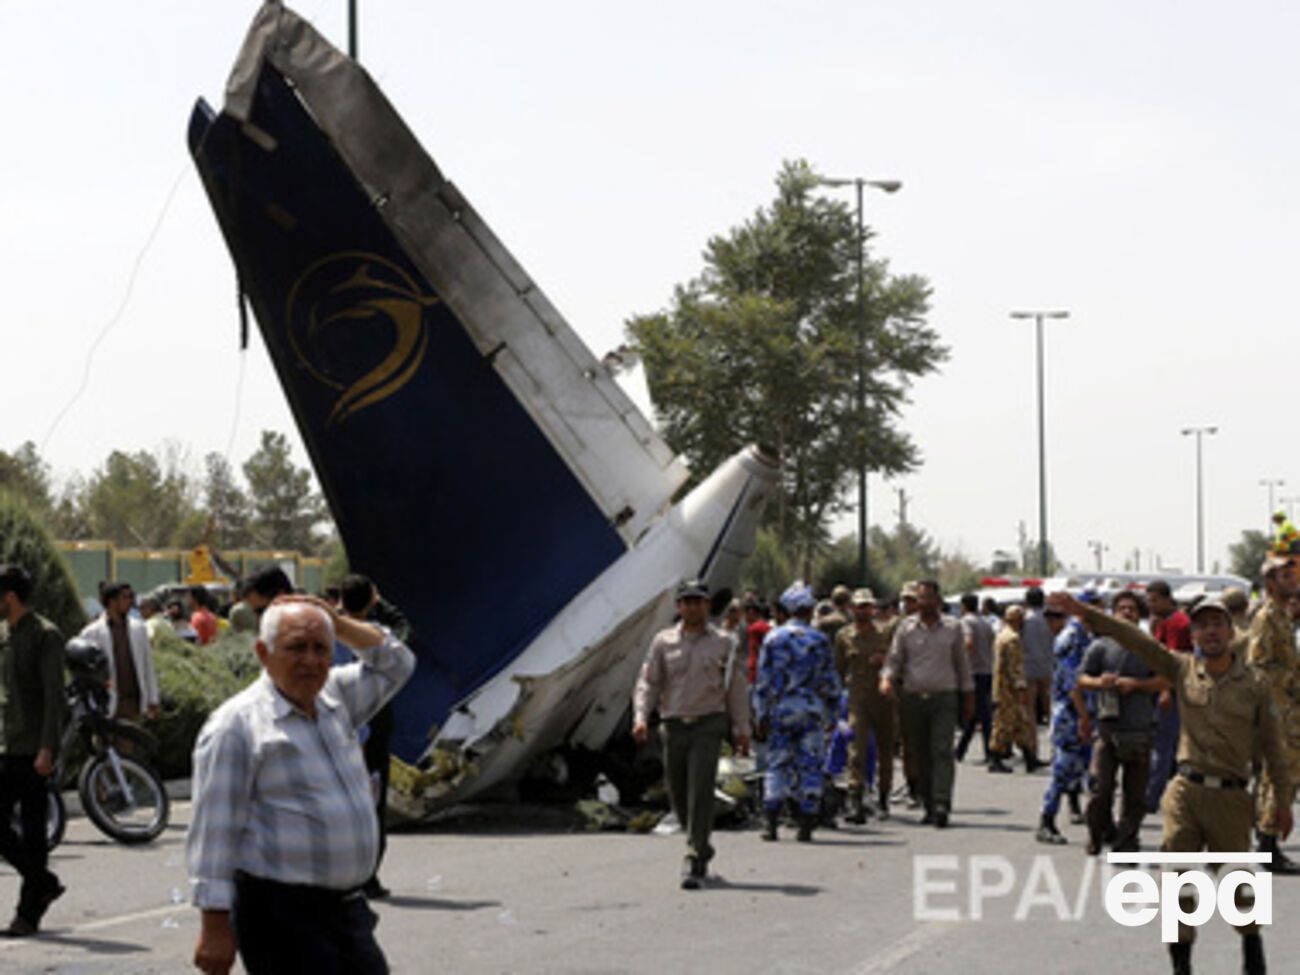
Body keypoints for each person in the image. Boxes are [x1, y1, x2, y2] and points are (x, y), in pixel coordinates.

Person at [1049, 590, 1291, 975]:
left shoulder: (1255, 685)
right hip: (1185, 793)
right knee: (1178, 882)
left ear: (1231, 633)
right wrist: (1086, 613)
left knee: (1238, 887)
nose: (1210, 632)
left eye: (1217, 624)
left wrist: (1282, 801)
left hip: (1231, 798)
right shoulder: (1179, 668)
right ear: (1192, 635)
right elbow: (1134, 638)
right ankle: (1181, 966)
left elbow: (1274, 748)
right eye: (1202, 626)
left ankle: (1252, 947)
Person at [188, 595, 416, 974]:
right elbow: (214, 834)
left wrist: (337, 623)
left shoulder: (335, 699)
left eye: (320, 648)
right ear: (264, 652)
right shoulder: (237, 726)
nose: (310, 660)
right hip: (282, 916)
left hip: (347, 911)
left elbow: (398, 663)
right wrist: (214, 928)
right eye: (296, 647)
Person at [633, 579, 749, 887]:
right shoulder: (663, 642)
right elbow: (649, 683)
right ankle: (702, 844)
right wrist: (641, 717)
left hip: (709, 724)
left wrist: (742, 729)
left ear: (708, 605)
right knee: (679, 794)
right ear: (678, 606)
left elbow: (736, 689)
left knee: (700, 788)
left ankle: (694, 856)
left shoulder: (724, 642)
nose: (693, 606)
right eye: (687, 601)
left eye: (699, 601)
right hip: (673, 725)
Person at [0, 566, 66, 937]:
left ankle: (28, 914)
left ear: (9, 596)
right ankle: (42, 881)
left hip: (33, 748)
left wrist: (47, 748)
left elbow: (54, 697)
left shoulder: (45, 635)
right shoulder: (5, 634)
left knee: (34, 830)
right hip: (8, 744)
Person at [880, 580, 974, 828]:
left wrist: (968, 696)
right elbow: (894, 659)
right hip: (913, 698)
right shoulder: (905, 628)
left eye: (928, 598)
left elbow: (962, 665)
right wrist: (886, 679)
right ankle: (929, 804)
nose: (923, 603)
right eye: (920, 598)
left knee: (942, 751)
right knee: (919, 754)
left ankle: (942, 803)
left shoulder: (953, 628)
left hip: (944, 697)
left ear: (938, 600)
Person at [339, 574, 410, 900]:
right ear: (371, 600)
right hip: (373, 731)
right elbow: (403, 629)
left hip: (338, 732)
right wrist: (378, 603)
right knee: (371, 804)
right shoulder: (376, 638)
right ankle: (367, 877)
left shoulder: (330, 631)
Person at [1076, 590, 1163, 855]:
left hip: (1140, 731)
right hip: (1108, 731)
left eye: (1132, 609)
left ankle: (1126, 842)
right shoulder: (1100, 646)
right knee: (1100, 790)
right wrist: (1099, 682)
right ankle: (1096, 834)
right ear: (1112, 614)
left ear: (1140, 615)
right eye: (1121, 608)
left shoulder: (1149, 646)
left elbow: (1165, 680)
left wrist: (1135, 685)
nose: (1127, 613)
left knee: (1135, 796)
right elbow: (1080, 680)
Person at [753, 582, 839, 842]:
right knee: (810, 763)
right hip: (811, 710)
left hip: (781, 709)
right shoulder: (820, 640)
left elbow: (763, 681)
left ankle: (770, 821)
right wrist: (833, 715)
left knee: (777, 763)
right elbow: (830, 682)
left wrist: (760, 714)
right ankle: (806, 823)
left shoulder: (773, 638)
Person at [1248, 553, 1300, 873]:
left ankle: (1268, 841)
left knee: (1282, 777)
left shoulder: (1282, 615)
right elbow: (1260, 666)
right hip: (1277, 710)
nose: (1293, 579)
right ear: (1270, 583)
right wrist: (1294, 682)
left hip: (1289, 710)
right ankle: (1267, 846)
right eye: (1285, 575)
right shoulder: (1267, 616)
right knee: (1277, 777)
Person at [834, 589, 893, 822]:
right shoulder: (844, 636)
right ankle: (855, 799)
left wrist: (884, 661)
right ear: (852, 608)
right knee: (856, 748)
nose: (863, 610)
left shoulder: (884, 633)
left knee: (885, 750)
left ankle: (883, 799)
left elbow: (898, 661)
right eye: (859, 606)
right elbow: (838, 670)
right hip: (857, 698)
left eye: (867, 606)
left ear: (873, 608)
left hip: (884, 698)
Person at [1035, 604, 1090, 844]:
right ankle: (1047, 819)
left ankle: (1085, 812)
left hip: (1076, 712)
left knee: (1081, 768)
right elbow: (1072, 683)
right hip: (1071, 715)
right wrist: (1084, 717)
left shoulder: (1080, 635)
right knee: (1064, 769)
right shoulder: (1073, 638)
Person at [79, 581, 160, 721]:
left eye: (131, 597)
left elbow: (148, 666)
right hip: (104, 706)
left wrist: (153, 698)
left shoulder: (139, 629)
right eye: (125, 597)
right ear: (112, 601)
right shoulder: (91, 633)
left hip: (131, 704)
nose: (130, 601)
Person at [1145, 579, 1193, 814]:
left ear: (1166, 599)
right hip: (1171, 692)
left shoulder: (1176, 623)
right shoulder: (1169, 621)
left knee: (1162, 749)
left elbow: (1171, 662)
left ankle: (1151, 798)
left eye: (1154, 600)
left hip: (1171, 694)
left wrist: (1165, 690)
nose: (1150, 605)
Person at [987, 605, 1039, 773]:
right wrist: (1021, 687)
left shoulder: (1001, 636)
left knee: (1019, 724)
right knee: (1004, 724)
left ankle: (1029, 757)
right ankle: (995, 757)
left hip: (1001, 688)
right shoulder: (1013, 639)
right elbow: (1014, 667)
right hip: (1008, 690)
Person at [955, 593, 995, 764]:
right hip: (986, 670)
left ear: (964, 606)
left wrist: (961, 662)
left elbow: (968, 642)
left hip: (973, 671)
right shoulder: (985, 623)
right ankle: (960, 750)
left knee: (980, 713)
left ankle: (990, 752)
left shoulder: (966, 622)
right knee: (977, 712)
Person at [1021, 587, 1054, 726]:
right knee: (1049, 700)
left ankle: (1032, 738)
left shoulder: (1024, 619)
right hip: (1048, 663)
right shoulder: (1050, 618)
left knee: (1029, 705)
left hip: (1028, 664)